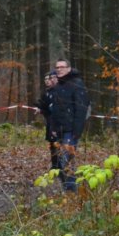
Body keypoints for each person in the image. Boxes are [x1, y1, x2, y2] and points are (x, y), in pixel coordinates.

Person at [52, 59, 90, 192]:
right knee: (61, 160)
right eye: (57, 67)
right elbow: (55, 110)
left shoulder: (77, 84)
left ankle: (71, 190)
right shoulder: (58, 86)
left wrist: (76, 131)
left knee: (65, 159)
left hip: (71, 130)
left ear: (69, 68)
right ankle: (69, 188)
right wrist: (54, 128)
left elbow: (81, 109)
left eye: (62, 67)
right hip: (60, 130)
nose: (59, 69)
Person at [34, 72, 60, 172]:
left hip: (58, 122)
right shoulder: (47, 92)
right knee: (52, 144)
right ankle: (54, 165)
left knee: (59, 144)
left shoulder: (60, 91)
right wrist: (40, 109)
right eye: (47, 79)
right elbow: (46, 108)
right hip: (50, 122)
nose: (48, 81)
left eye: (51, 78)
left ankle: (61, 166)